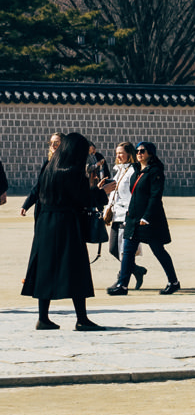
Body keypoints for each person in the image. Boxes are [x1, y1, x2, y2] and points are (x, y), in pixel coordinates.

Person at [23, 133, 106, 330]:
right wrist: (102, 192)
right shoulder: (72, 172)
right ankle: (82, 319)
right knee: (77, 269)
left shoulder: (49, 169)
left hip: (46, 224)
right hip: (67, 224)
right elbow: (83, 199)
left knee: (45, 269)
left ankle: (43, 317)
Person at [107, 141, 179, 297]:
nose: (139, 153)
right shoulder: (135, 169)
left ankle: (173, 282)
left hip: (149, 219)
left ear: (150, 154)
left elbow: (155, 196)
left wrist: (146, 217)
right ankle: (123, 285)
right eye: (137, 151)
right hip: (133, 216)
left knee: (158, 250)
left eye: (142, 151)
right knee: (127, 251)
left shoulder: (155, 172)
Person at [104, 142, 137, 274]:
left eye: (121, 153)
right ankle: (136, 270)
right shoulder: (119, 170)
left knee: (124, 250)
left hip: (126, 214)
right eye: (117, 153)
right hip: (116, 213)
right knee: (113, 249)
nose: (118, 155)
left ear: (129, 154)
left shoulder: (133, 171)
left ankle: (122, 277)